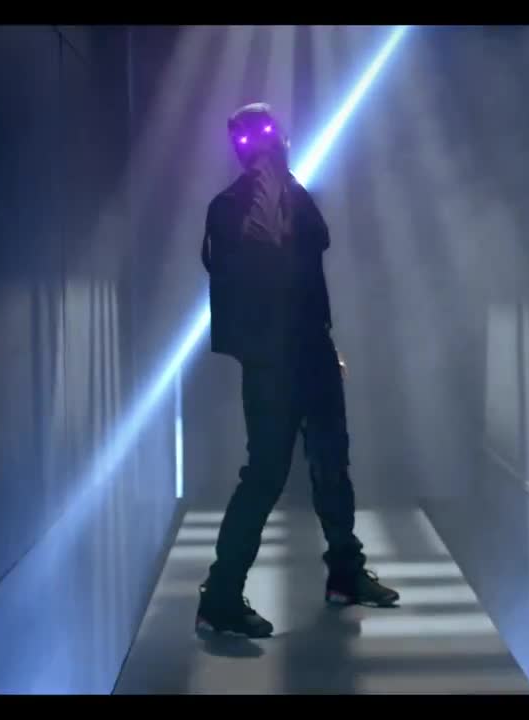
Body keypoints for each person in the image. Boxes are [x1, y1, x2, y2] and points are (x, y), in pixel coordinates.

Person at [196, 102, 399, 638]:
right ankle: (220, 596)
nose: (273, 145)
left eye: (274, 135)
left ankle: (345, 574)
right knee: (266, 473)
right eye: (260, 138)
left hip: (311, 352)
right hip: (271, 362)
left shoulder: (296, 195)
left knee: (332, 463)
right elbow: (251, 268)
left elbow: (312, 256)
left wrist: (324, 346)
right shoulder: (229, 208)